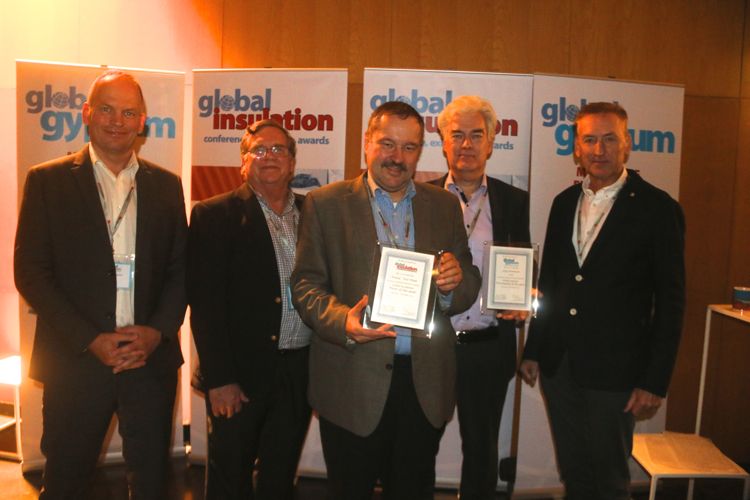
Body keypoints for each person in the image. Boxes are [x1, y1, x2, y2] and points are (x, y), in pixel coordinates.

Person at [291, 101, 481, 499]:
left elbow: (468, 281)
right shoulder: (325, 203)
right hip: (351, 382)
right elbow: (306, 285)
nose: (397, 157)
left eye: (409, 147)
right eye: (387, 144)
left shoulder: (444, 205)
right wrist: (343, 321)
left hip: (423, 384)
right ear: (367, 143)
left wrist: (453, 284)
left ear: (420, 151)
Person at [14, 70, 187, 499]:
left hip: (148, 363)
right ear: (87, 113)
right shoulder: (48, 180)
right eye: (107, 109)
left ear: (143, 121)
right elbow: (31, 271)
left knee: (150, 483)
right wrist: (90, 339)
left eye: (129, 112)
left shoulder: (166, 186)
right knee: (66, 482)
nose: (117, 121)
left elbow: (181, 269)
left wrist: (156, 332)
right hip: (75, 363)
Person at [519, 102, 685, 500]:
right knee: (574, 472)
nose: (599, 149)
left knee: (610, 479)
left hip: (617, 372)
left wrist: (654, 380)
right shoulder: (563, 203)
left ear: (627, 144)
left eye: (610, 139)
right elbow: (551, 283)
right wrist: (534, 349)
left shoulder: (658, 208)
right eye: (589, 140)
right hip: (560, 367)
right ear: (576, 148)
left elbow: (672, 301)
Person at [188, 119, 312, 499]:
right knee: (229, 479)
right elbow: (205, 304)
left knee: (279, 478)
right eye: (259, 149)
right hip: (238, 378)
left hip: (298, 372)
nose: (269, 156)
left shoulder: (314, 213)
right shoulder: (215, 215)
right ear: (243, 163)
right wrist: (220, 379)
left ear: (292, 163)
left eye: (278, 149)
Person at [431, 95, 530, 499]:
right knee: (418, 443)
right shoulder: (422, 197)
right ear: (443, 142)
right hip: (431, 345)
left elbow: (522, 265)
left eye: (476, 135)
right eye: (457, 135)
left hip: (488, 346)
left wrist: (523, 296)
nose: (467, 144)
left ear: (491, 142)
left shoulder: (514, 201)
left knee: (482, 450)